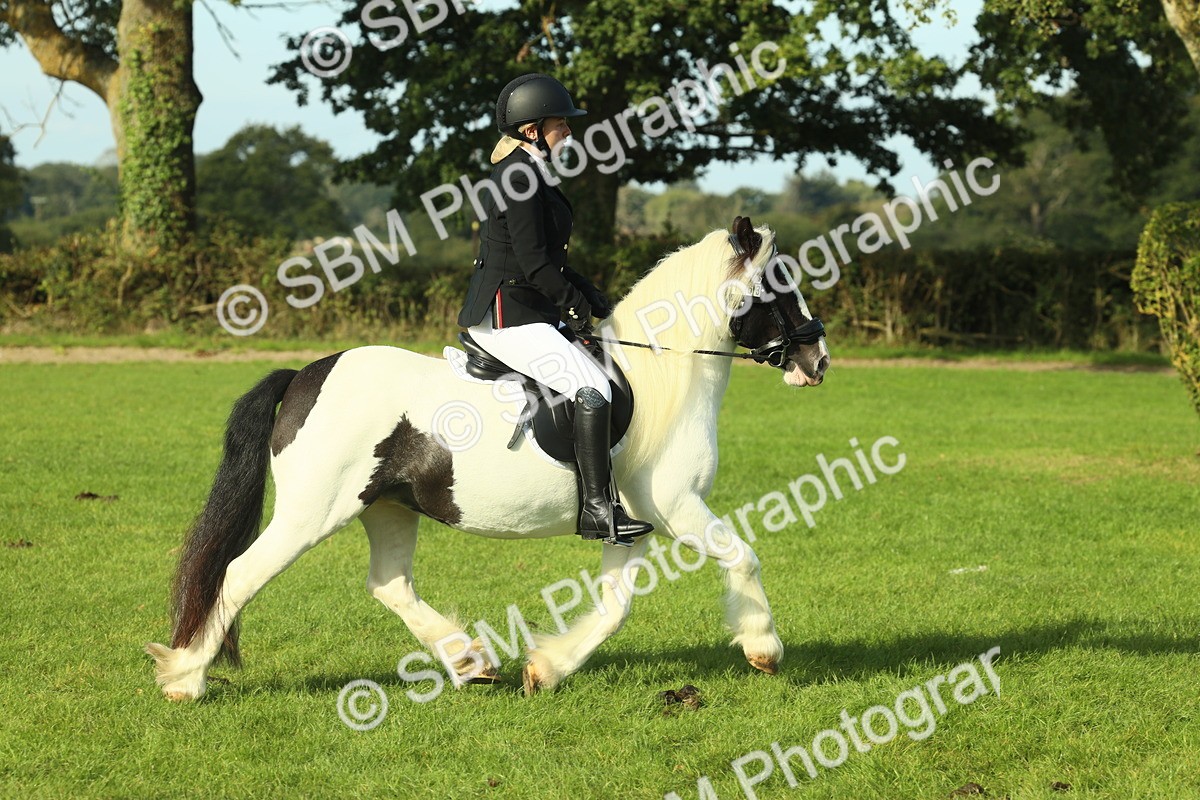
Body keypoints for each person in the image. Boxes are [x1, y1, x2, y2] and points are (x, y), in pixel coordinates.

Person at [457, 73, 654, 548]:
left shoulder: (529, 172)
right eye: (559, 123)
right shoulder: (518, 176)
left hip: (529, 307)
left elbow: (551, 257)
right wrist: (573, 310)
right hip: (509, 316)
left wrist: (589, 292)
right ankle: (596, 509)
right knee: (591, 387)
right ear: (531, 129)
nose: (567, 131)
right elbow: (532, 261)